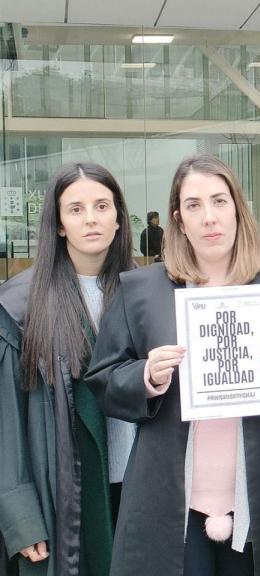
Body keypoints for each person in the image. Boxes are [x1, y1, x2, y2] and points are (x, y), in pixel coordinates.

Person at [85, 155, 260, 576]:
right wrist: (145, 376)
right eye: (194, 205)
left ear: (237, 208)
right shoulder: (143, 291)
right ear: (178, 218)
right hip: (170, 491)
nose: (209, 217)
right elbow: (104, 379)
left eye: (219, 201)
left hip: (259, 488)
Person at [0, 162, 135, 576]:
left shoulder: (145, 292)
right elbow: (5, 419)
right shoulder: (20, 304)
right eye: (75, 209)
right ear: (58, 224)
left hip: (138, 486)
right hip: (63, 491)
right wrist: (20, 515)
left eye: (101, 206)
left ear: (118, 218)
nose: (90, 218)